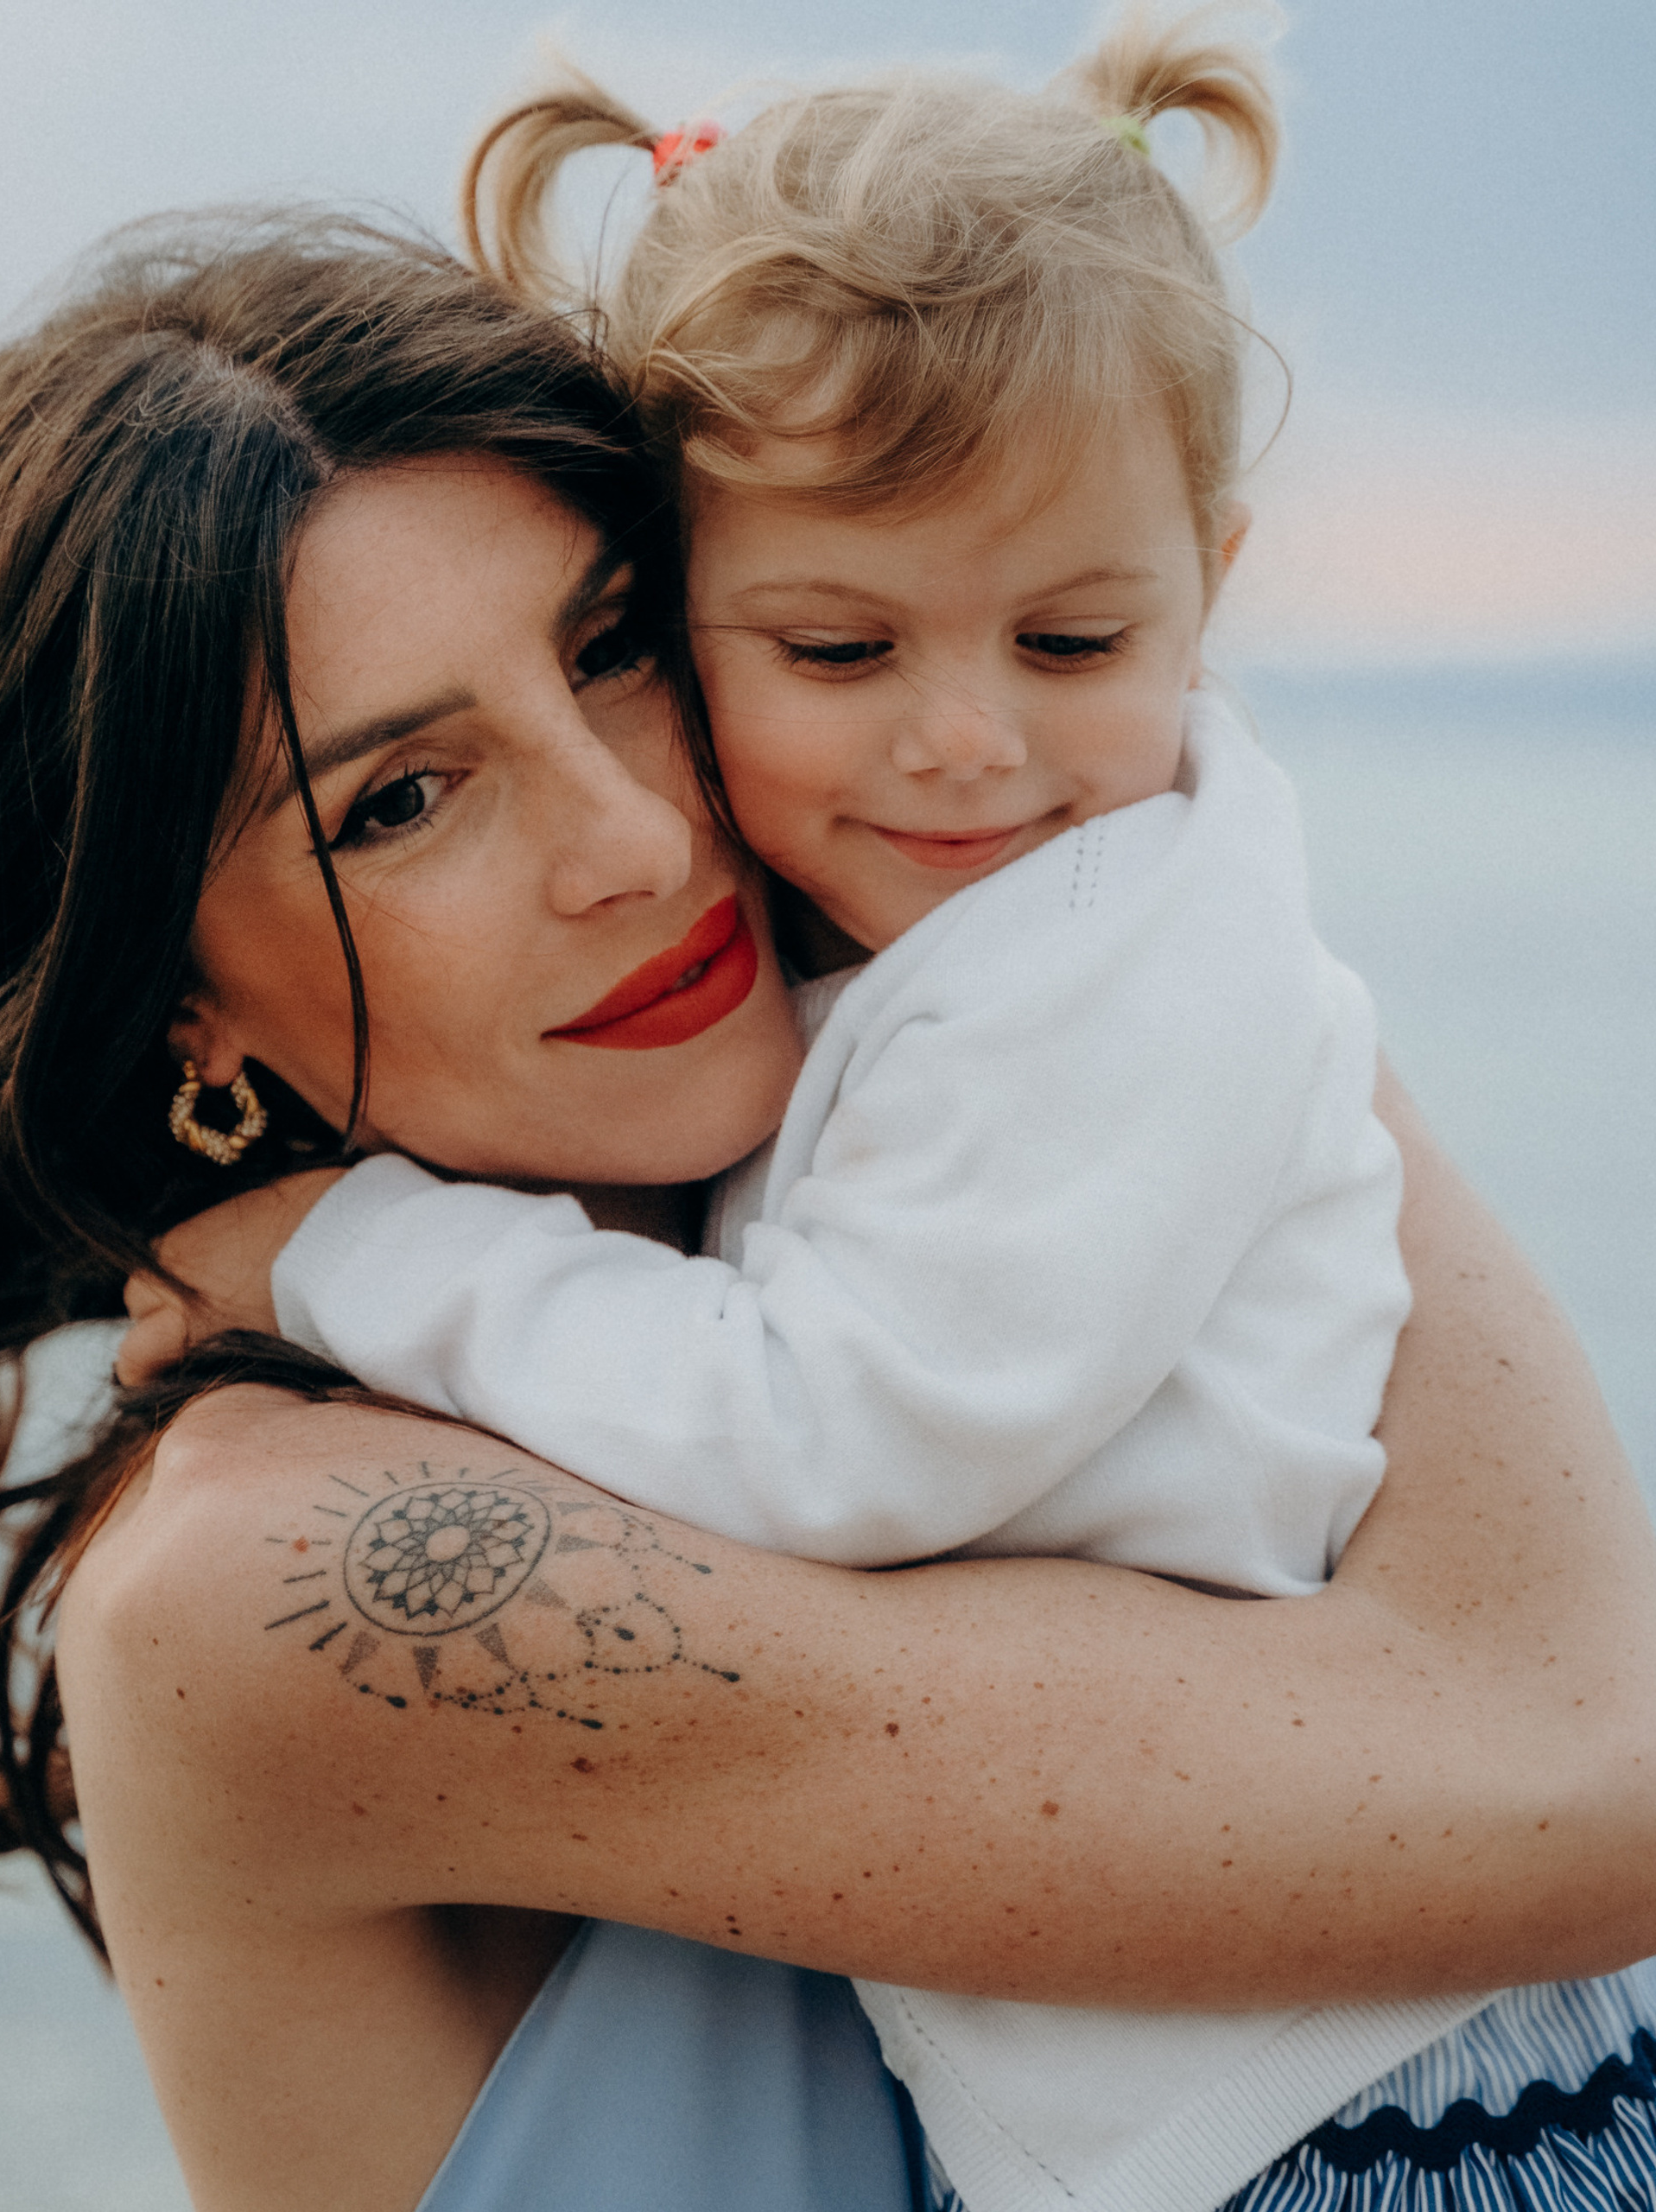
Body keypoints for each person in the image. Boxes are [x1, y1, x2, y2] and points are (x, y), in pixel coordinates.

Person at [0, 214, 1651, 2212]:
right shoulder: (265, 1576)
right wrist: (1171, 893)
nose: (629, 840)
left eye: (613, 648)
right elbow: (1589, 1782)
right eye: (402, 798)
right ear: (174, 995)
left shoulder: (862, 1183)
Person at [123, 18, 1521, 2210]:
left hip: (1357, 2122)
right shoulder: (990, 928)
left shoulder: (1119, 962)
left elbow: (832, 1428)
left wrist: (342, 1242)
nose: (963, 748)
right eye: (833, 655)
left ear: (1202, 588)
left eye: (1071, 641)